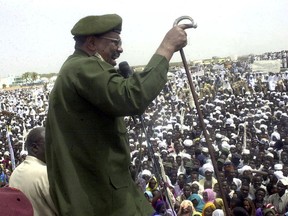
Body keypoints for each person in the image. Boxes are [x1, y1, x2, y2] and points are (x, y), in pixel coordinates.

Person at [45, 13, 190, 216]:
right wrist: (167, 47)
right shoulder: (83, 67)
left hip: (102, 194)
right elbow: (132, 97)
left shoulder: (74, 68)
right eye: (115, 42)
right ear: (92, 43)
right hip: (102, 200)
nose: (120, 48)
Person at [9, 127, 58, 216]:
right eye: (50, 144)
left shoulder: (15, 173)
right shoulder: (45, 173)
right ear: (35, 148)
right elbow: (66, 209)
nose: (54, 149)